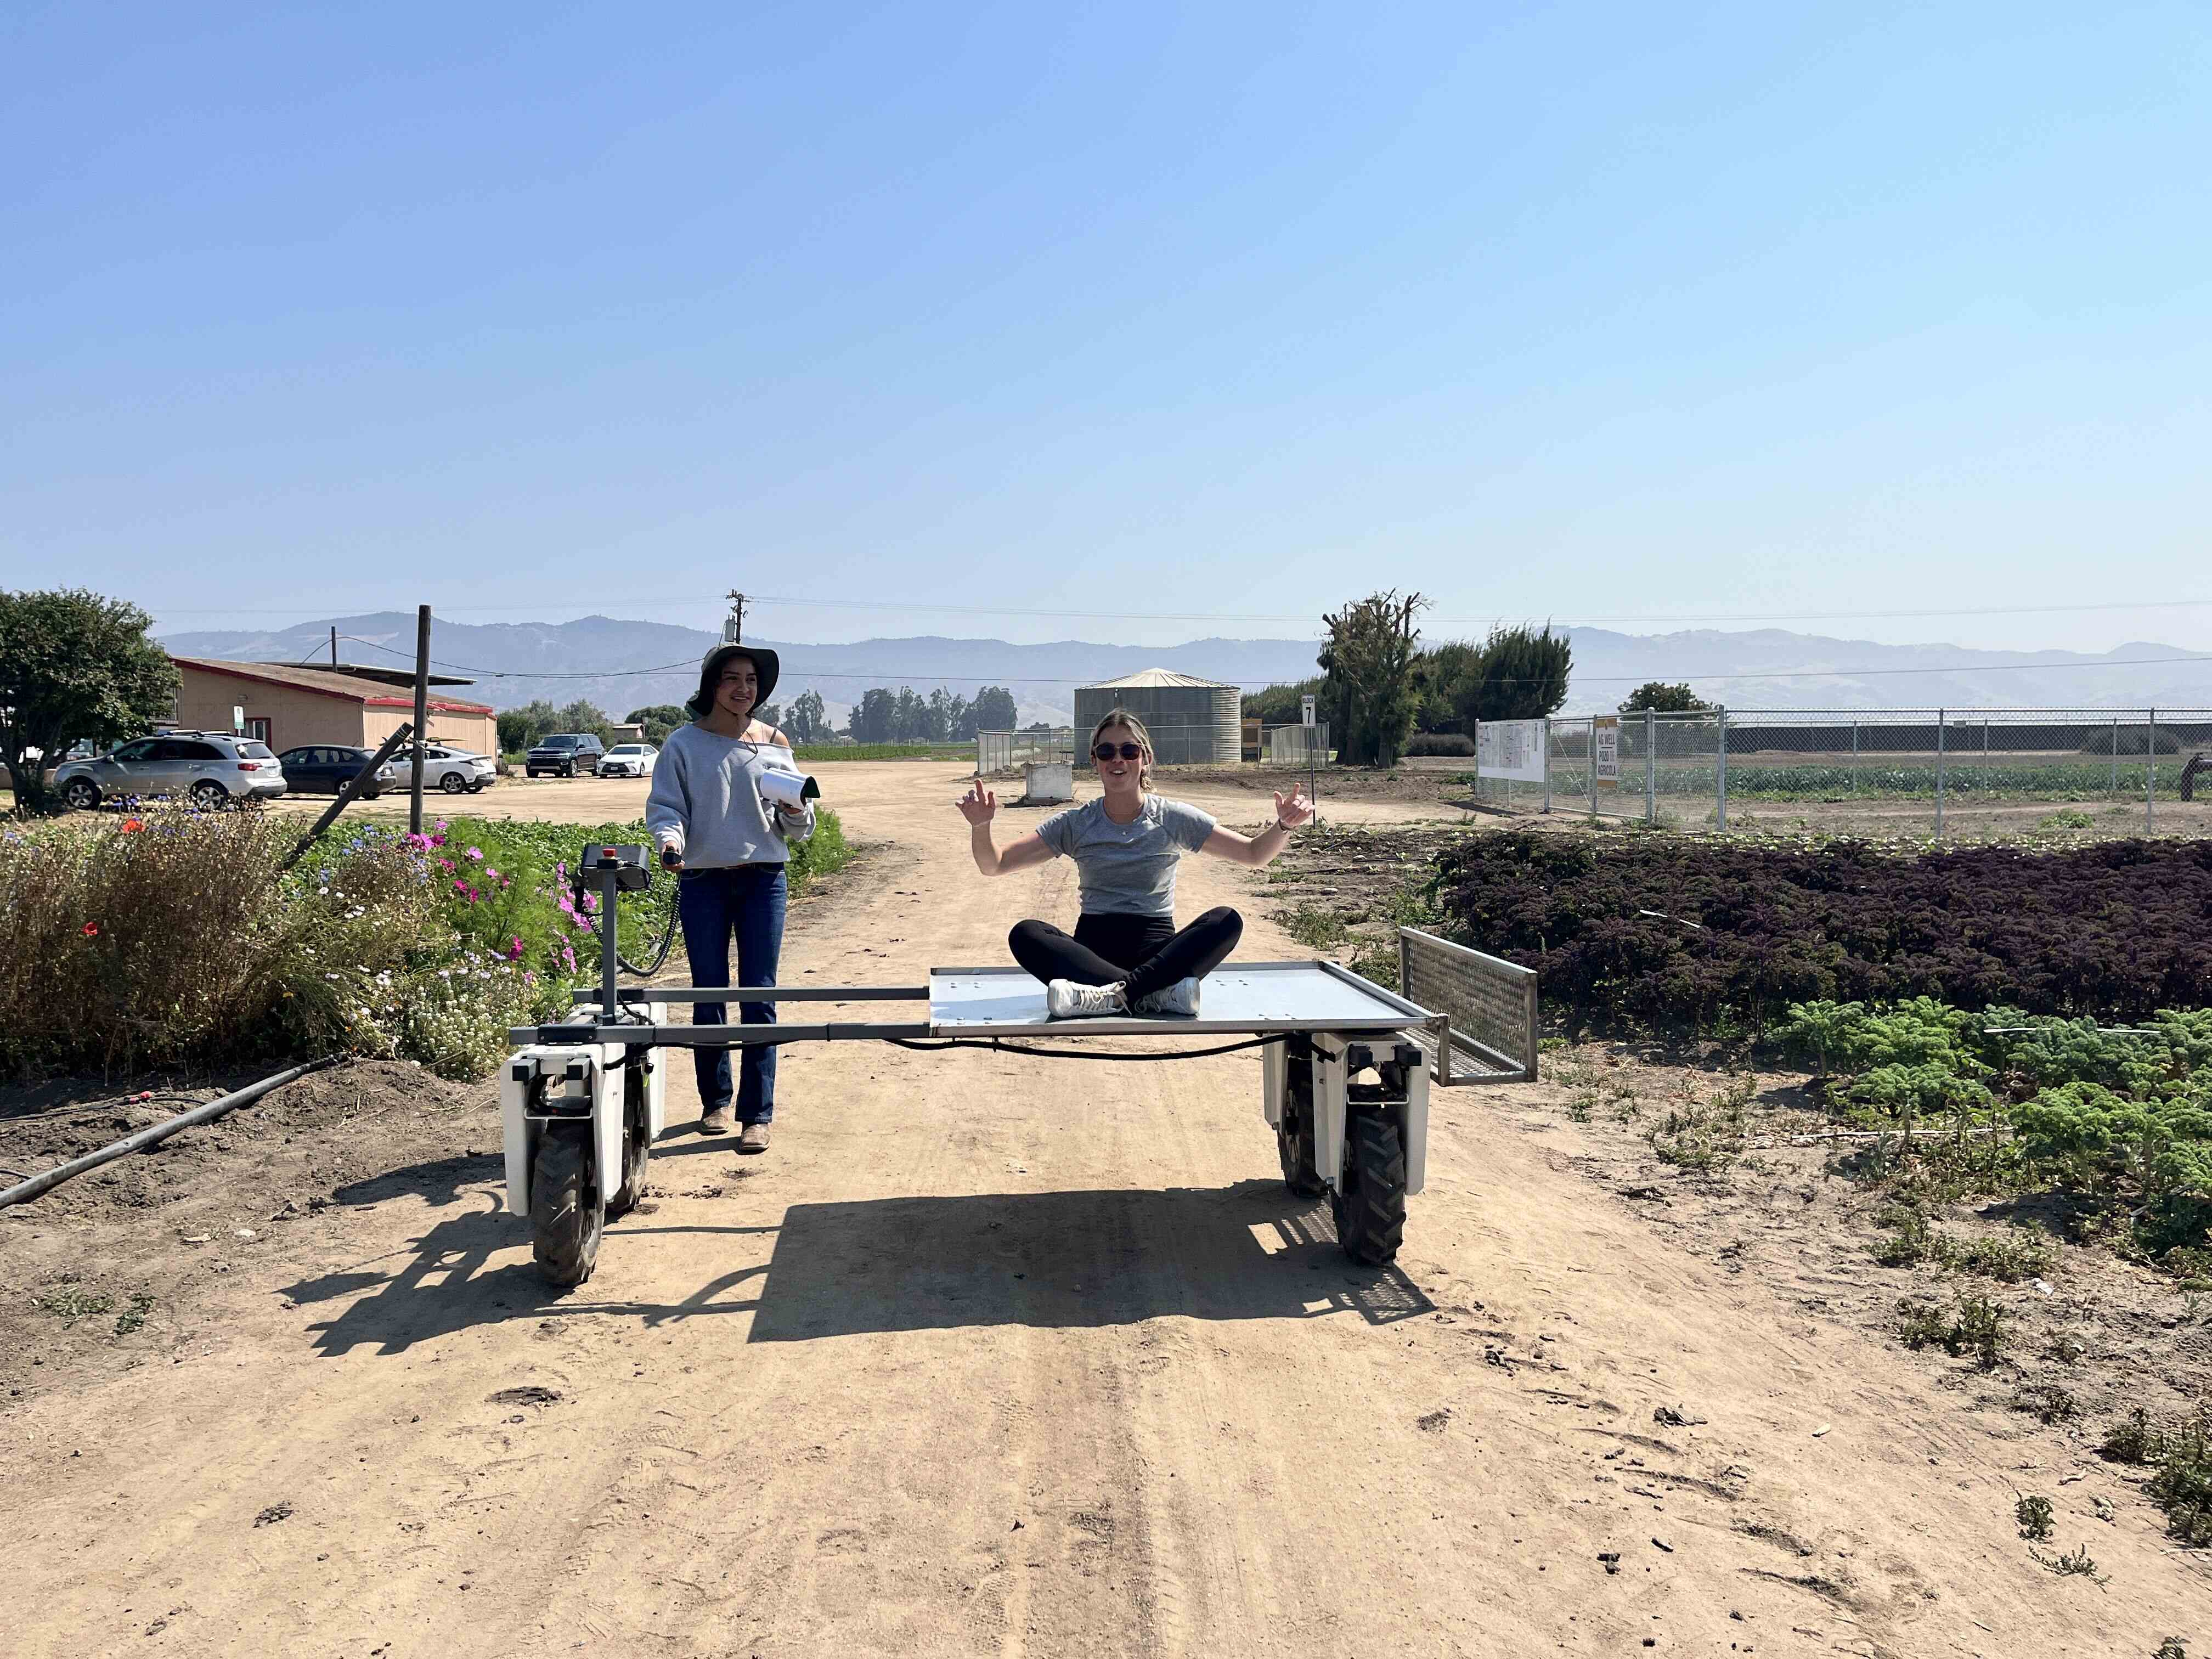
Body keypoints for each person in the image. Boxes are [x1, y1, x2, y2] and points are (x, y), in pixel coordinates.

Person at [958, 709, 1313, 1018]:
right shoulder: (1076, 823)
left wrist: (1283, 827)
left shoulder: (1172, 817)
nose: (1118, 760)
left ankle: (1113, 996)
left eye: (1129, 750)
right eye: (1106, 751)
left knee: (1226, 921)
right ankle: (1152, 996)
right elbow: (996, 864)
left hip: (1157, 953)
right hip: (1091, 954)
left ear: (1145, 759)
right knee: (1026, 934)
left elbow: (1254, 854)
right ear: (1094, 760)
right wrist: (981, 826)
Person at [646, 643, 815, 1150]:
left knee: (760, 994)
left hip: (765, 879)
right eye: (732, 679)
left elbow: (798, 824)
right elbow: (666, 808)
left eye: (752, 680)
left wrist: (795, 812)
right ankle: (716, 1102)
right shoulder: (683, 745)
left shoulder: (773, 743)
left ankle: (756, 1114)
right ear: (711, 686)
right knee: (709, 993)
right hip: (704, 881)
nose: (744, 689)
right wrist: (670, 842)